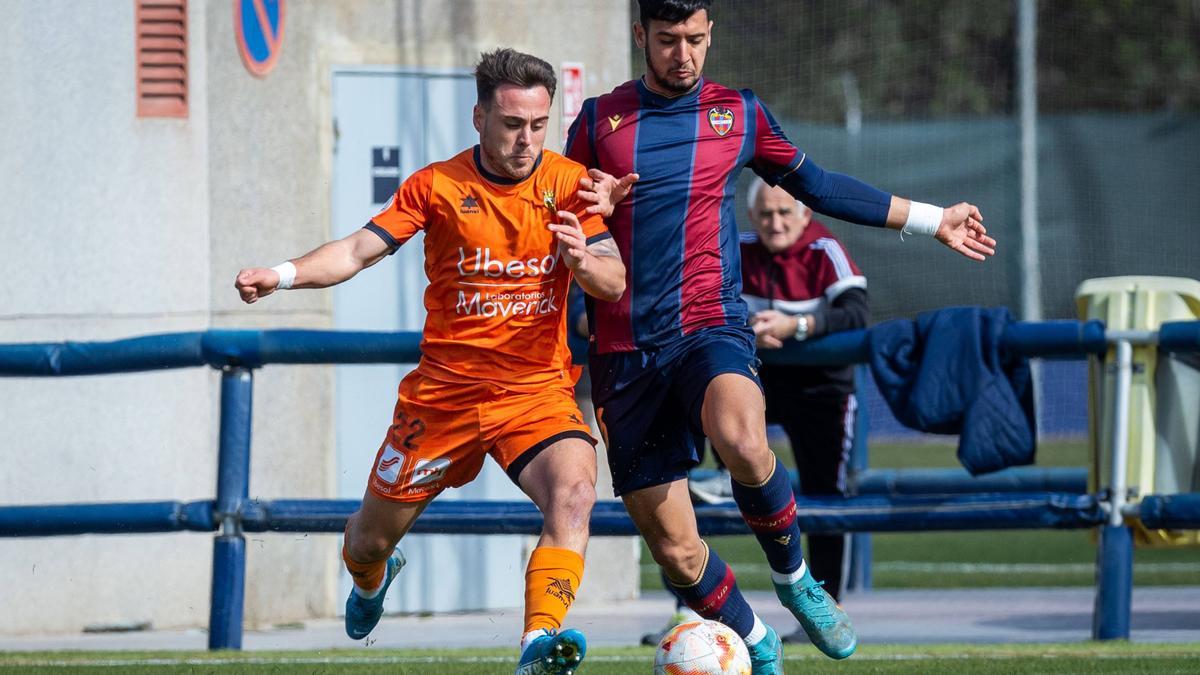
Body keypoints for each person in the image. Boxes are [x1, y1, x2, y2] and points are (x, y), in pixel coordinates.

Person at [563, 0, 995, 669]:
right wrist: (575, 327)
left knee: (741, 437)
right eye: (670, 40)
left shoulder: (739, 113)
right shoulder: (596, 122)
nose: (685, 55)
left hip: (709, 326)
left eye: (698, 40)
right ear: (640, 35)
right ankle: (759, 644)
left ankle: (798, 580)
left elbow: (818, 186)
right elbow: (570, 235)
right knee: (677, 550)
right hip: (623, 354)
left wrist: (931, 218)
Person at [235, 48, 626, 675]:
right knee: (368, 539)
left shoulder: (568, 185)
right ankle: (371, 579)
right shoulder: (436, 185)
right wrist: (280, 276)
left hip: (535, 393)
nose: (525, 139)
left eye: (537, 124)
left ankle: (538, 642)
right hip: (442, 400)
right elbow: (359, 250)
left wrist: (583, 261)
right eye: (510, 124)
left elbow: (612, 282)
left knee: (576, 493)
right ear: (478, 117)